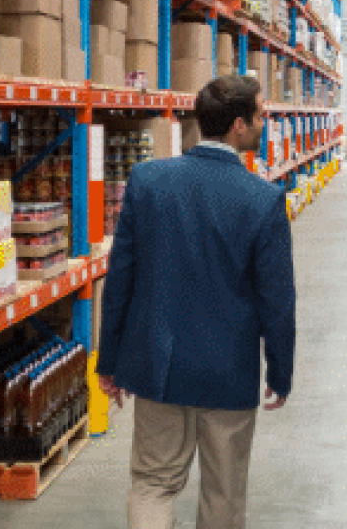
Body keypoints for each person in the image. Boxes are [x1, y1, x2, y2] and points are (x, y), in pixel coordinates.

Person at [96, 75, 296, 529]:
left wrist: (110, 361)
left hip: (158, 368)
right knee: (223, 496)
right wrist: (280, 371)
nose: (265, 123)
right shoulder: (262, 200)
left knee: (152, 484)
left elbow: (121, 277)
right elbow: (277, 300)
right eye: (261, 116)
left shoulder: (148, 180)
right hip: (228, 375)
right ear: (239, 126)